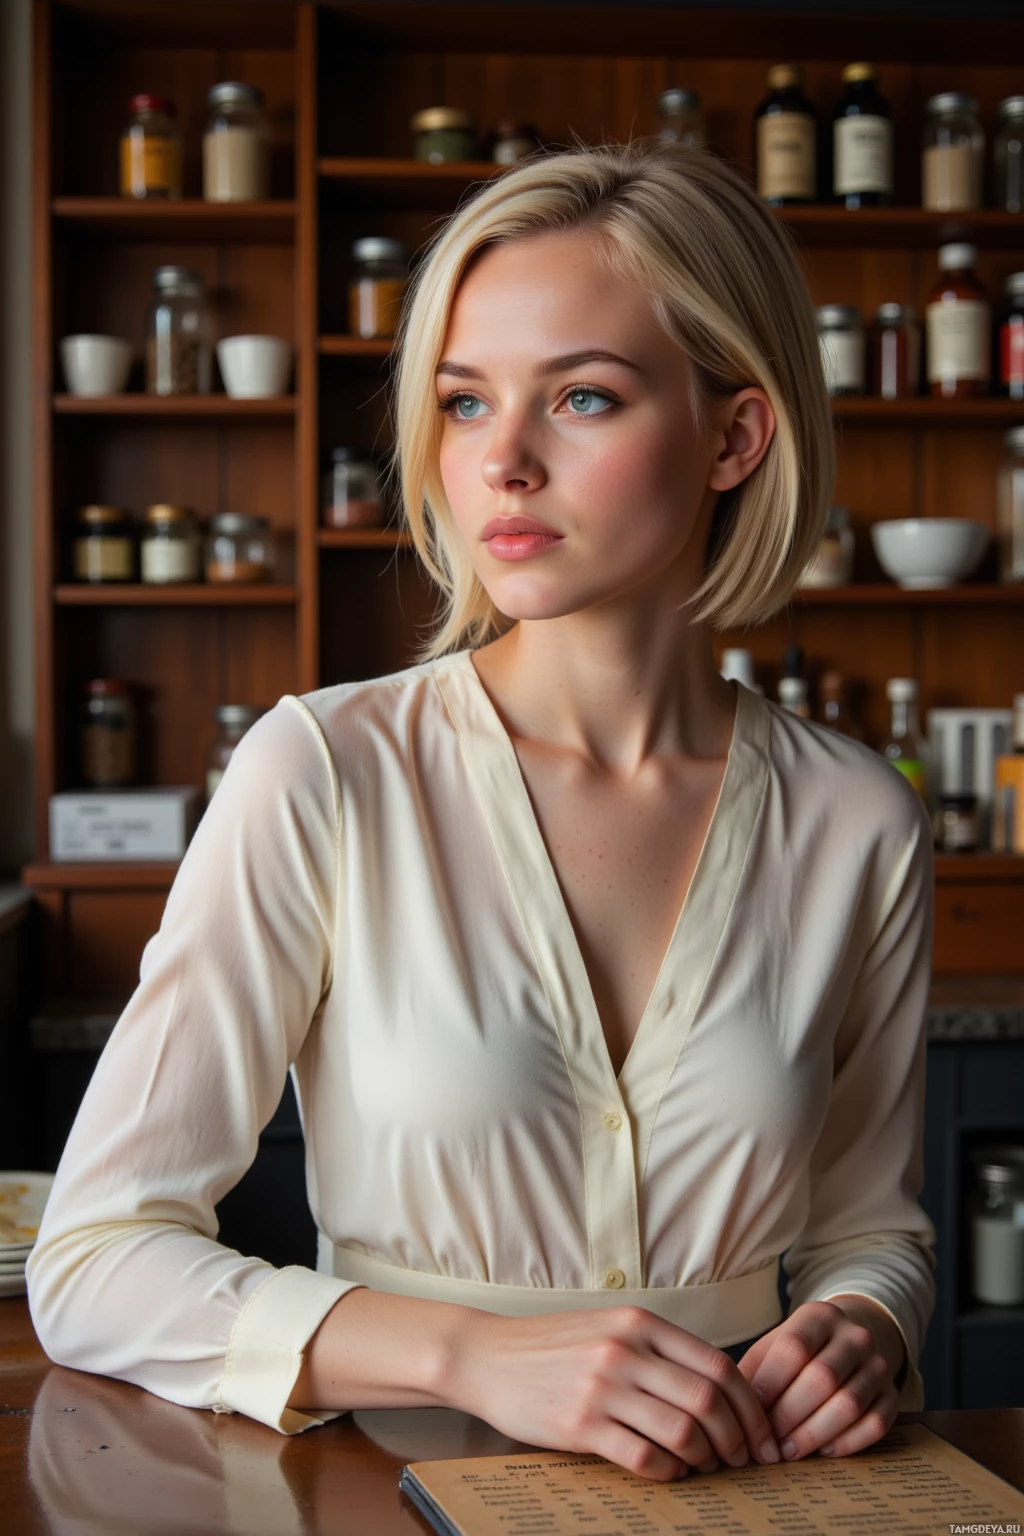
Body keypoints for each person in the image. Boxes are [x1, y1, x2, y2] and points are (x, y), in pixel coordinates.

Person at [27, 139, 936, 1485]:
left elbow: (873, 1224)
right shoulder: (323, 770)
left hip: (750, 1501)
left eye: (580, 398)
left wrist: (866, 1316)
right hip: (391, 1488)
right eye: (463, 402)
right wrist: (467, 1352)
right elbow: (96, 1258)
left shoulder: (860, 814)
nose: (501, 460)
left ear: (736, 435)